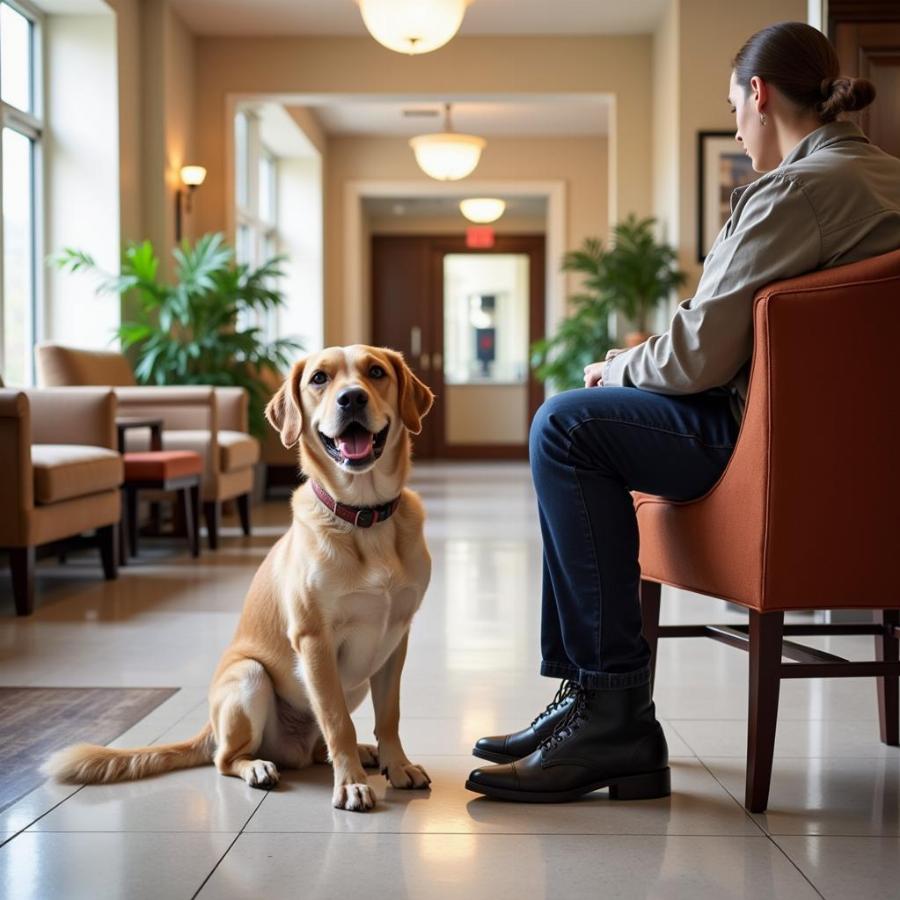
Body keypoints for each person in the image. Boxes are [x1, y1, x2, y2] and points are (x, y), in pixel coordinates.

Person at [465, 21, 900, 803]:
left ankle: (612, 712)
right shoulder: (885, 180)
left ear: (759, 95)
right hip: (866, 474)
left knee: (565, 424)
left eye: (735, 105)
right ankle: (585, 703)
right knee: (579, 422)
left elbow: (698, 355)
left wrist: (614, 366)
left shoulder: (796, 191)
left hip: (769, 456)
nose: (736, 123)